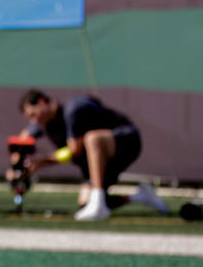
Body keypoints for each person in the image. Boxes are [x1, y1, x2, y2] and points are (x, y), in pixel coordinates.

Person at [17, 89, 168, 221]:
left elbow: (74, 150)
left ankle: (98, 201)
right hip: (101, 161)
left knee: (92, 139)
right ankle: (141, 196)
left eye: (33, 114)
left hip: (126, 141)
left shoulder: (73, 110)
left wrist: (41, 162)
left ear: (42, 102)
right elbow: (24, 137)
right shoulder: (44, 122)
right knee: (84, 202)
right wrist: (17, 163)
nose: (34, 120)